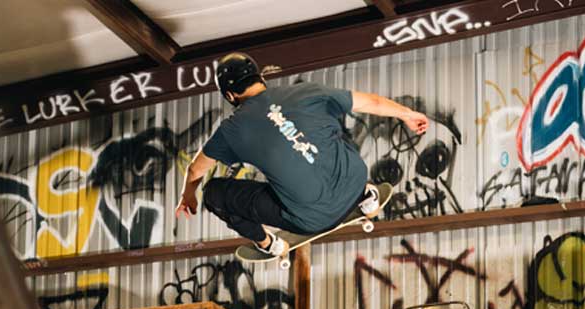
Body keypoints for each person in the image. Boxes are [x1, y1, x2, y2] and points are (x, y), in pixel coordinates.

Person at [176, 52, 429, 259]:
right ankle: (365, 196)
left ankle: (268, 244)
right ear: (261, 78)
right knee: (329, 125)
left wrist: (188, 196)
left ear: (230, 96)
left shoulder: (231, 130)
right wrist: (407, 114)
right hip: (355, 182)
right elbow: (372, 102)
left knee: (214, 193)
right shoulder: (306, 91)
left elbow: (196, 170)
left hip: (312, 220)